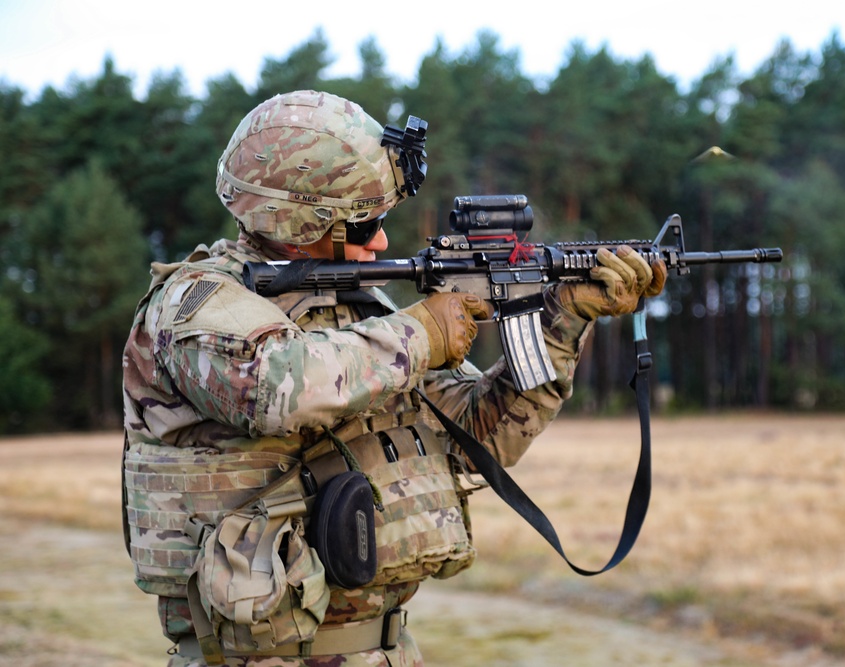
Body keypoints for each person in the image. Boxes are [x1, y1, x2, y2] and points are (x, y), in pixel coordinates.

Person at [122, 89, 666, 667]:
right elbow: (275, 386)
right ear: (302, 221)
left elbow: (480, 434)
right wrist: (421, 334)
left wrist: (564, 317)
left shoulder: (361, 313)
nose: (381, 241)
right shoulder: (194, 306)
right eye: (365, 225)